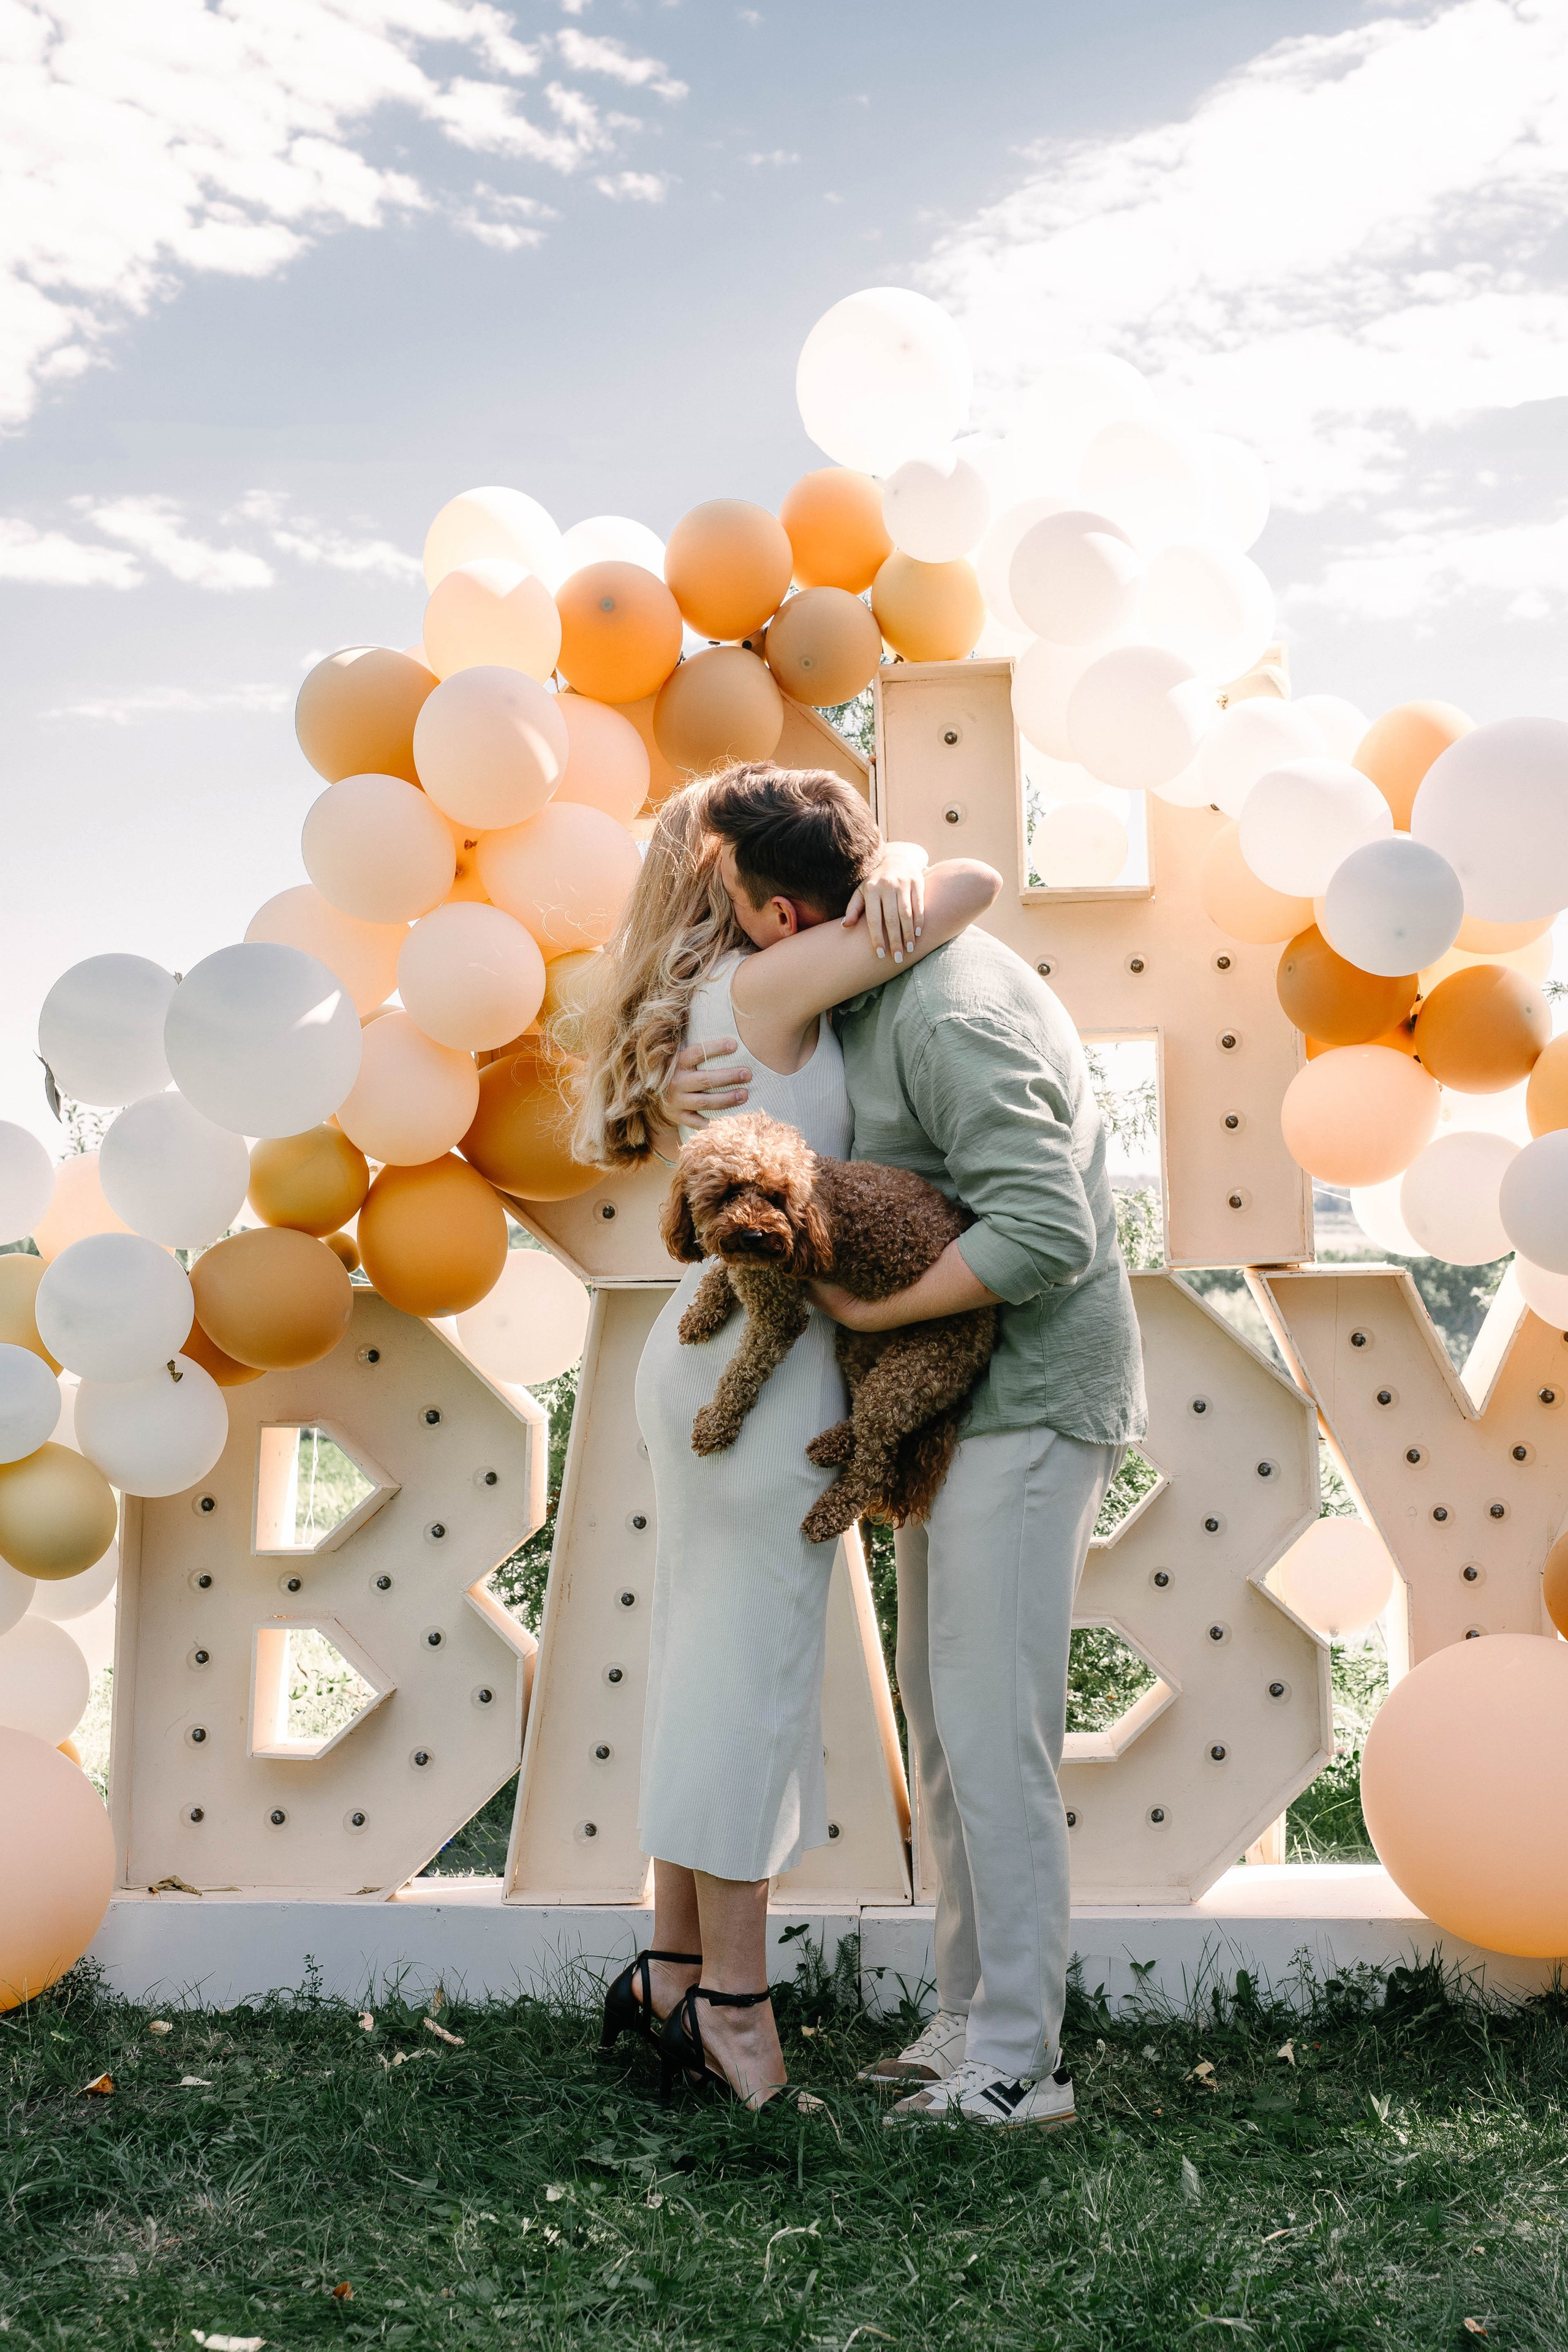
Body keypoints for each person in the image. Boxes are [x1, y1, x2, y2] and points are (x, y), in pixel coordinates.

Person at [666, 782, 1147, 2130]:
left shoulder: (947, 1008)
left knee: (995, 1737)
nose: (733, 945)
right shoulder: (883, 976)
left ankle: (1020, 2065)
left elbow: (1046, 1229)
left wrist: (872, 1313)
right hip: (964, 1405)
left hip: (1031, 1394)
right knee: (947, 1736)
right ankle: (965, 2022)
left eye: (733, 918)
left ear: (780, 910)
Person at [574, 761, 1001, 2109]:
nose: (850, 927)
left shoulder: (738, 984)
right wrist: (899, 868)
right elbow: (976, 889)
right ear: (774, 915)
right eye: (827, 903)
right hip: (758, 1373)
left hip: (715, 1353)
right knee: (746, 1681)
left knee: (702, 1659)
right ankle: (736, 2017)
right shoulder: (771, 981)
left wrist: (870, 863)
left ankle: (669, 1972)